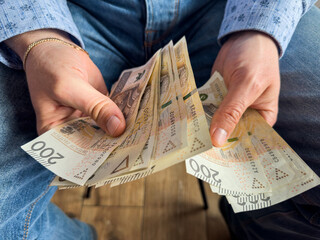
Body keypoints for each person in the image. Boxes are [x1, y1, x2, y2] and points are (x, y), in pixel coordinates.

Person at [0, 0, 319, 239]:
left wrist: (262, 29)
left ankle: (254, 220)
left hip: (229, 10)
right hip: (70, 15)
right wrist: (38, 38)